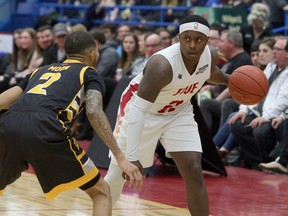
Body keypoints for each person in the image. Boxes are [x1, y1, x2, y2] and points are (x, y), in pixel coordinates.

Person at [0, 31, 143, 216]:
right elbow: (93, 110)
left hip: (8, 124)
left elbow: (2, 101)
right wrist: (121, 158)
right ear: (92, 53)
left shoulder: (39, 71)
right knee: (101, 191)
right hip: (45, 126)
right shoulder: (88, 73)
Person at [104, 15, 230, 216]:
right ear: (178, 38)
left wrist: (230, 80)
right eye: (187, 38)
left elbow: (208, 73)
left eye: (199, 40)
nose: (192, 45)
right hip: (141, 111)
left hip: (178, 111)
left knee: (194, 171)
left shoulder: (211, 55)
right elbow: (138, 111)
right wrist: (133, 157)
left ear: (207, 42)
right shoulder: (162, 65)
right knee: (119, 174)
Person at [230, 37, 288, 169]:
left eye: (277, 49)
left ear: (287, 53)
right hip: (259, 112)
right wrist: (243, 110)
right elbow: (254, 90)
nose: (273, 52)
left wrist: (266, 117)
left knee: (260, 131)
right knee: (236, 124)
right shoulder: (271, 66)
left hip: (274, 115)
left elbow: (283, 100)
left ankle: (268, 161)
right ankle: (256, 163)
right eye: (273, 49)